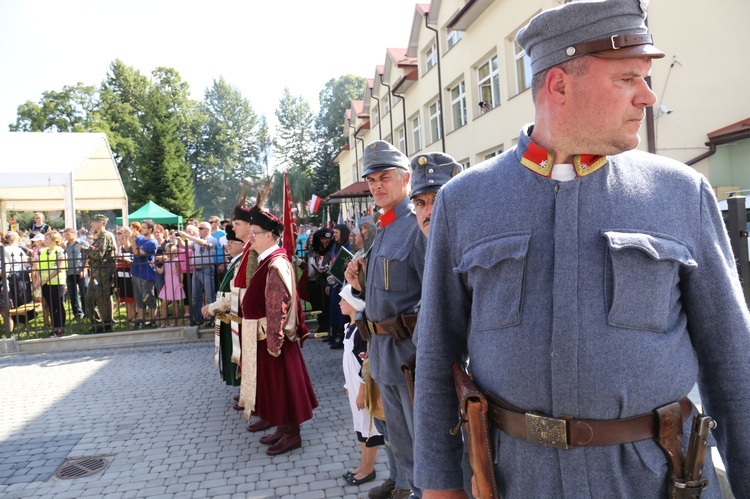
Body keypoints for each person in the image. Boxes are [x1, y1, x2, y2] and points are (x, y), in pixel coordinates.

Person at [413, 1, 750, 498]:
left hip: (655, 480)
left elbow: (732, 359)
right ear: (560, 85)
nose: (648, 97)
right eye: (627, 79)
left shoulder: (680, 193)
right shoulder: (465, 200)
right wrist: (440, 485)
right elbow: (437, 349)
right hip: (516, 480)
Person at [344, 140, 427, 499]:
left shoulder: (417, 225)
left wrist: (426, 354)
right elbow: (385, 293)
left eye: (385, 177)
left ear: (405, 178)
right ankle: (404, 485)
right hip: (382, 353)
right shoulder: (385, 228)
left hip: (409, 355)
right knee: (395, 433)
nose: (377, 185)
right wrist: (359, 284)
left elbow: (433, 297)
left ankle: (421, 490)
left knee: (421, 437)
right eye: (372, 180)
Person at [241, 201, 318, 456]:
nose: (250, 238)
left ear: (270, 235)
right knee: (274, 387)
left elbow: (278, 304)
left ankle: (291, 434)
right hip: (266, 337)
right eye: (250, 233)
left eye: (254, 233)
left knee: (282, 387)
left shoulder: (275, 263)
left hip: (274, 339)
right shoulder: (268, 260)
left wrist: (274, 341)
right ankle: (282, 428)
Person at [339, 283, 384, 487]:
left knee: (369, 428)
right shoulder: (350, 327)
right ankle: (363, 463)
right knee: (360, 427)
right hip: (355, 389)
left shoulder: (361, 332)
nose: (339, 303)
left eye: (343, 300)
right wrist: (348, 387)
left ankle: (369, 468)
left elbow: (365, 367)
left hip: (364, 391)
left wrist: (362, 393)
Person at [201, 224, 245, 387]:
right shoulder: (235, 261)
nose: (229, 245)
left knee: (238, 356)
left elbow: (232, 295)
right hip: (228, 316)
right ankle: (242, 392)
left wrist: (211, 308)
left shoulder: (241, 263)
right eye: (229, 241)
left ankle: (245, 392)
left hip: (234, 315)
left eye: (233, 242)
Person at [83, 214, 117, 333]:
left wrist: (86, 251)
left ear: (101, 223)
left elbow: (99, 255)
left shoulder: (105, 236)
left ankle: (106, 325)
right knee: (89, 300)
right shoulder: (98, 237)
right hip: (96, 273)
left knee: (103, 301)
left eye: (94, 222)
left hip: (104, 274)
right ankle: (97, 324)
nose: (91, 224)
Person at [128, 219, 158, 329]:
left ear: (150, 229)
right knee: (139, 299)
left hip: (146, 274)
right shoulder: (140, 238)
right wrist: (129, 238)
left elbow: (137, 253)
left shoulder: (152, 242)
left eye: (145, 227)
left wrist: (132, 241)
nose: (142, 229)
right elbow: (128, 248)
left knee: (148, 298)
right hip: (136, 272)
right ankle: (141, 321)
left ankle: (153, 320)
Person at [35, 231, 66, 337]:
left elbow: (60, 268)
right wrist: (38, 281)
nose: (44, 240)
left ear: (54, 240)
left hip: (56, 282)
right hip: (45, 284)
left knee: (58, 305)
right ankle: (55, 327)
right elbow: (39, 267)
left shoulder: (59, 251)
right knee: (51, 307)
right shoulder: (43, 252)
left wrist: (46, 279)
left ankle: (60, 328)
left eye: (47, 238)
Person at [156, 243, 185, 327]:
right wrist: (155, 265)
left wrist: (181, 282)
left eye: (167, 250)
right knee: (164, 303)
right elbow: (161, 271)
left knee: (174, 302)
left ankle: (176, 322)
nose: (166, 251)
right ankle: (163, 323)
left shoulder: (176, 261)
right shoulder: (166, 260)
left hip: (174, 281)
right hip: (167, 282)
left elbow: (180, 273)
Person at [62, 227, 89, 319]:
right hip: (69, 272)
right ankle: (77, 313)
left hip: (80, 271)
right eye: (65, 235)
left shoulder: (82, 243)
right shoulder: (65, 246)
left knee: (84, 293)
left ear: (74, 234)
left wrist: (84, 270)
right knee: (73, 294)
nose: (66, 236)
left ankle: (87, 312)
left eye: (68, 234)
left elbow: (87, 258)